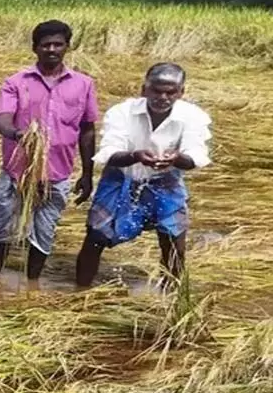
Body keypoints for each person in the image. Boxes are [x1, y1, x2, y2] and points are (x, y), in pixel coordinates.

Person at [75, 63, 211, 287]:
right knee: (96, 236)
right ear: (144, 90)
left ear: (181, 92)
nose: (163, 97)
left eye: (171, 92)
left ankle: (172, 297)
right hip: (121, 177)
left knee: (174, 243)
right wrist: (136, 156)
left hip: (165, 181)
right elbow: (109, 152)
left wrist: (177, 159)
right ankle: (80, 291)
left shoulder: (193, 116)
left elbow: (196, 156)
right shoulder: (122, 112)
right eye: (157, 91)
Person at [0, 20, 99, 282]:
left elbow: (87, 129)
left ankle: (32, 284)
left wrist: (87, 174)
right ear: (35, 48)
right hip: (17, 173)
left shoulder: (83, 84)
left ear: (67, 47)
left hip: (57, 175)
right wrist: (17, 134)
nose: (52, 49)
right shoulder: (16, 82)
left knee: (44, 231)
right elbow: (3, 119)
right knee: (3, 230)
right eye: (45, 44)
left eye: (58, 44)